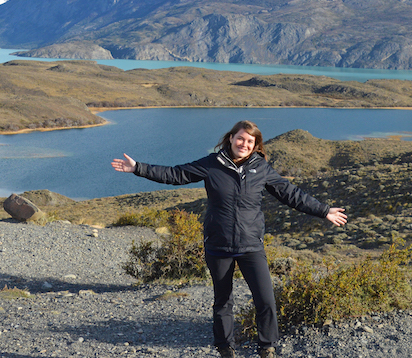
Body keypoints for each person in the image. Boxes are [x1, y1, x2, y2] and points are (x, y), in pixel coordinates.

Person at [112, 119, 347, 358]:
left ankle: (267, 347)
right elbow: (176, 174)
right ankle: (225, 348)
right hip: (218, 244)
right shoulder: (212, 164)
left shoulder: (261, 168)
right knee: (223, 300)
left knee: (265, 299)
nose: (244, 144)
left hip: (250, 245)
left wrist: (323, 210)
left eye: (249, 141)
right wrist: (138, 168)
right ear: (231, 138)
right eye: (240, 138)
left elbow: (291, 194)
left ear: (255, 146)